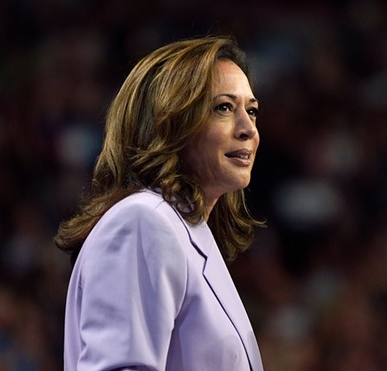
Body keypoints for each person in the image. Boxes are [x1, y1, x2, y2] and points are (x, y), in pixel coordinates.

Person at [54, 35, 265, 371]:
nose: (248, 129)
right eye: (224, 107)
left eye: (251, 111)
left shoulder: (186, 233)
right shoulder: (142, 222)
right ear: (169, 121)